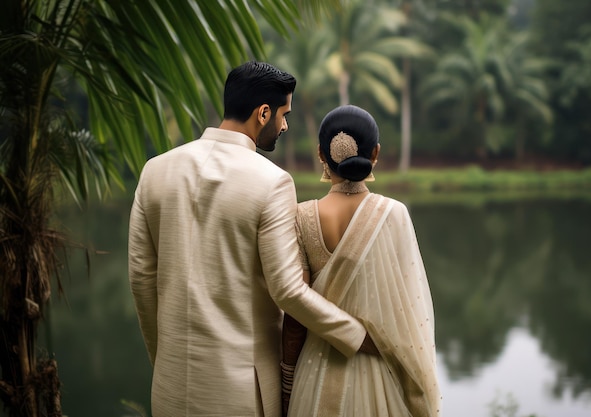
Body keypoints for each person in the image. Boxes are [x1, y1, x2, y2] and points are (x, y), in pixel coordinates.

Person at [128, 62, 376, 417]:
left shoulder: (154, 170)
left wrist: (164, 360)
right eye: (283, 114)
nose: (285, 125)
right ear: (263, 113)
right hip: (240, 395)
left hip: (169, 389)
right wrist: (357, 335)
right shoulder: (271, 182)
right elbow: (288, 291)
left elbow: (141, 279)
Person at [281, 105, 442, 417]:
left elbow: (295, 316)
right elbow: (411, 316)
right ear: (376, 153)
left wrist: (287, 384)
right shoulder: (394, 214)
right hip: (379, 375)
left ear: (321, 154)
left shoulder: (300, 216)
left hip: (313, 375)